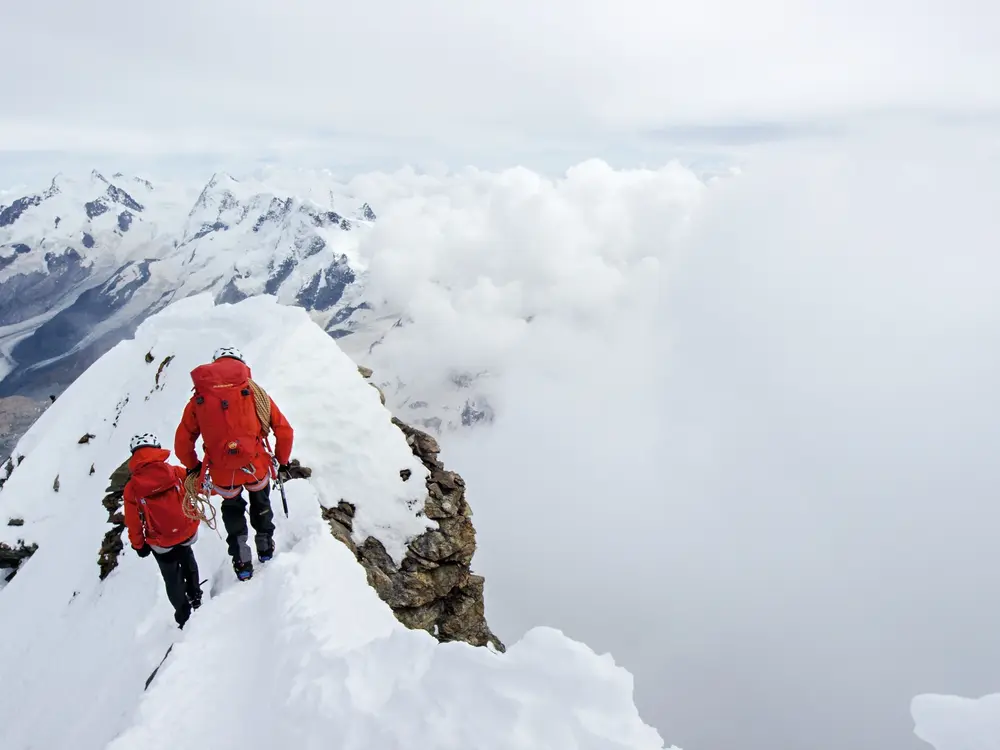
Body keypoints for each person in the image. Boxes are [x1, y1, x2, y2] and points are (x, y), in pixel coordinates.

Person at [174, 346, 294, 582]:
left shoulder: (199, 398)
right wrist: (282, 461)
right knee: (261, 501)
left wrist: (194, 466)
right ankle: (266, 547)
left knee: (232, 511)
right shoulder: (254, 392)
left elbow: (182, 442)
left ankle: (242, 562)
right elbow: (285, 431)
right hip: (256, 464)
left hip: (222, 472)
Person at [123, 432, 203, 628]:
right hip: (186, 532)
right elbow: (198, 485)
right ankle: (196, 597)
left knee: (171, 576)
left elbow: (133, 522)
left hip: (161, 542)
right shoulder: (174, 471)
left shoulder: (132, 488)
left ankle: (183, 613)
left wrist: (139, 545)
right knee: (188, 558)